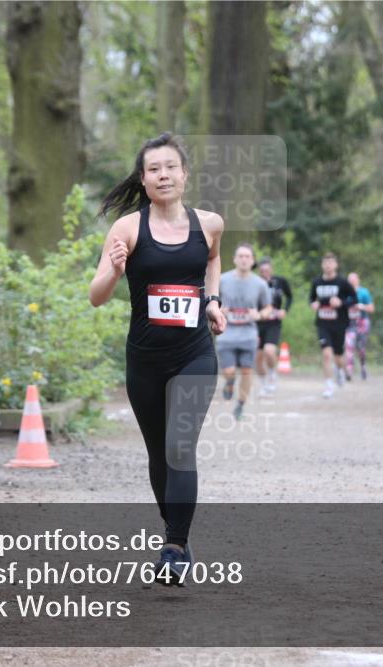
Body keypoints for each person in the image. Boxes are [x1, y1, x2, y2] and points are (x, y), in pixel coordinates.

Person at [89, 133, 225, 585]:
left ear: (184, 174)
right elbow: (96, 296)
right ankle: (177, 530)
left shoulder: (210, 223)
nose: (163, 175)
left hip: (194, 355)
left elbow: (212, 261)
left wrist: (212, 302)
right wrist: (114, 269)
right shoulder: (127, 228)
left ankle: (174, 546)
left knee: (180, 448)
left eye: (171, 167)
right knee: (158, 454)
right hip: (145, 359)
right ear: (143, 180)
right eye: (153, 169)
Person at [216, 244, 272, 419]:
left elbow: (268, 307)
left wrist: (260, 314)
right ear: (234, 259)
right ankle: (230, 382)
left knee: (247, 371)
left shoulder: (260, 284)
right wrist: (218, 310)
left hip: (248, 335)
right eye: (240, 256)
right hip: (226, 334)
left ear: (253, 260)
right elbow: (210, 302)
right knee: (230, 371)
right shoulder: (222, 280)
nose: (244, 259)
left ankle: (240, 405)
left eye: (247, 256)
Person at [309, 252, 357, 398]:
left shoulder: (342, 282)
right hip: (323, 323)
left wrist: (341, 303)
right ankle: (329, 385)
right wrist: (314, 304)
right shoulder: (316, 282)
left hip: (339, 323)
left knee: (338, 356)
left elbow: (354, 299)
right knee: (326, 353)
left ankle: (340, 371)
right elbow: (311, 298)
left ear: (336, 265)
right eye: (325, 263)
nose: (328, 265)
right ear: (322, 265)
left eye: (331, 263)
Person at [254, 257, 292, 395]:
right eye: (262, 271)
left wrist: (284, 310)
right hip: (257, 324)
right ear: (259, 271)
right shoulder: (254, 283)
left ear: (271, 269)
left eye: (267, 270)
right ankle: (264, 385)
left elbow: (290, 297)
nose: (265, 273)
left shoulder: (280, 282)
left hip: (274, 323)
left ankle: (271, 373)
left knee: (269, 351)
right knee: (257, 358)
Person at [344, 272, 374, 381]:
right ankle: (349, 371)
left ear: (358, 280)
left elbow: (371, 308)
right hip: (349, 322)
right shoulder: (344, 292)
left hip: (362, 322)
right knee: (349, 346)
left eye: (353, 279)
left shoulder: (363, 292)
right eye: (349, 279)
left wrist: (361, 306)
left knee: (360, 348)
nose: (351, 281)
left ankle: (363, 366)